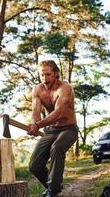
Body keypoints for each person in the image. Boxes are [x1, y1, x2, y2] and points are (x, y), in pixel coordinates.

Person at [27, 60, 78, 197]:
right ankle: (53, 187)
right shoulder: (38, 90)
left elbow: (59, 112)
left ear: (56, 74)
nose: (44, 78)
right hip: (50, 131)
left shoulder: (65, 88)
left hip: (68, 129)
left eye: (48, 74)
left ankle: (53, 190)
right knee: (34, 166)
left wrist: (38, 125)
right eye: (42, 75)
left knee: (57, 147)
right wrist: (34, 124)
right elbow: (35, 111)